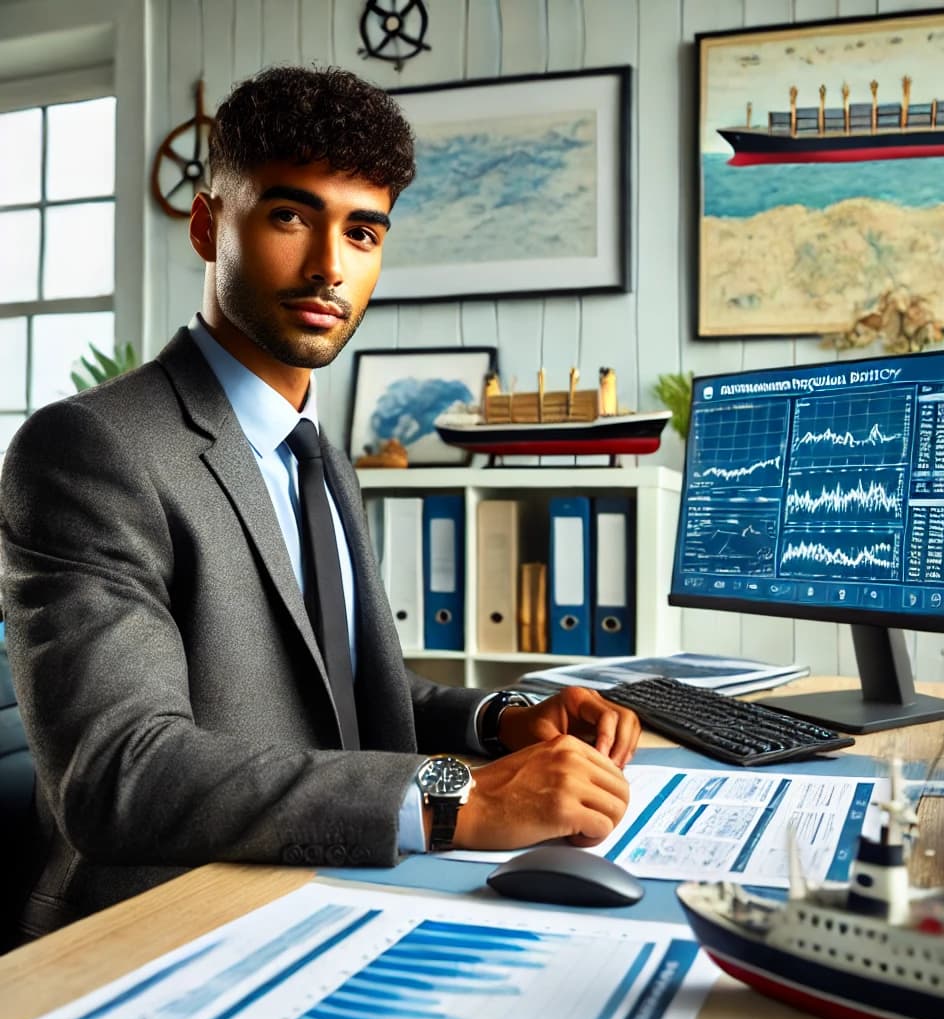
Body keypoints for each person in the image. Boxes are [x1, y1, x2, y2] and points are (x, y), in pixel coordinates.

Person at [0, 65, 640, 941]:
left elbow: (355, 704)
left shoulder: (315, 453)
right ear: (206, 224)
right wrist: (460, 798)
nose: (329, 266)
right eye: (290, 216)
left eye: (364, 231)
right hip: (162, 924)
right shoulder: (91, 450)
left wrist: (503, 719)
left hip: (331, 881)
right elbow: (123, 773)